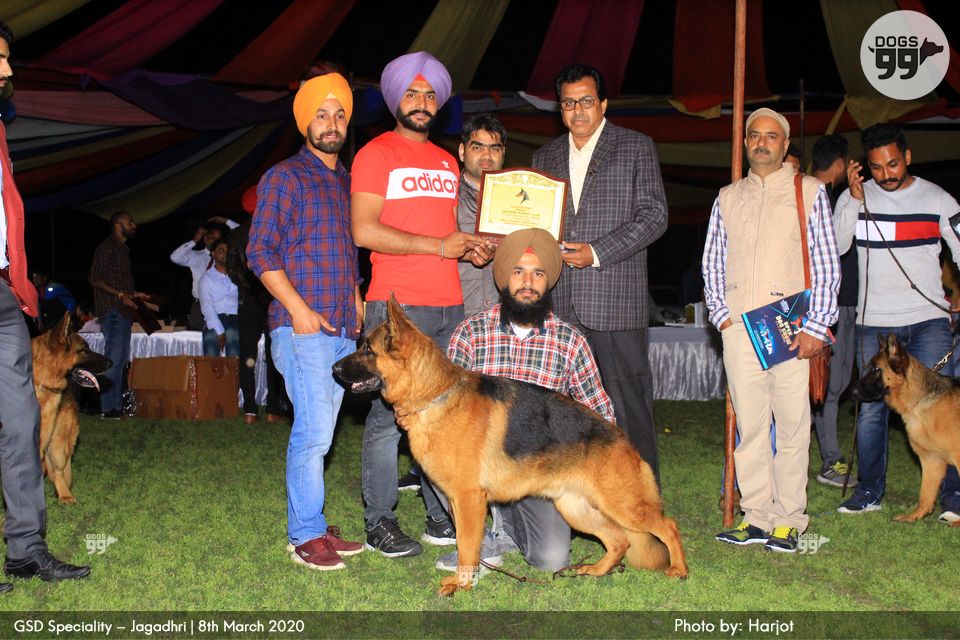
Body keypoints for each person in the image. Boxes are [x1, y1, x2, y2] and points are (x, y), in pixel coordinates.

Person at [351, 51, 486, 558]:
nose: (422, 102)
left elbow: (446, 234)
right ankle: (380, 521)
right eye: (412, 93)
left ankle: (438, 513)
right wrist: (440, 247)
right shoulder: (375, 154)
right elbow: (364, 231)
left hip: (450, 304)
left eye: (430, 95)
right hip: (397, 308)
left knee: (442, 414)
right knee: (387, 419)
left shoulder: (448, 162)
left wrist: (469, 247)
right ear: (395, 99)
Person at [435, 228, 616, 575]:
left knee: (551, 559)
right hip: (478, 463)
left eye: (538, 273)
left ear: (548, 283)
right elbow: (445, 407)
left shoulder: (570, 341)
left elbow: (601, 413)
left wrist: (598, 474)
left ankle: (506, 525)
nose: (528, 282)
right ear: (504, 278)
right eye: (518, 271)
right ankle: (480, 538)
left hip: (539, 472)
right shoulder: (470, 333)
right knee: (436, 442)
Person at [704, 107, 840, 552]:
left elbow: (826, 264)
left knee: (794, 427)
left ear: (784, 146)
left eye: (771, 136)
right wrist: (722, 316)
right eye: (754, 135)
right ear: (746, 143)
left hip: (791, 330)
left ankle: (790, 520)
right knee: (751, 429)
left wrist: (816, 326)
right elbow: (712, 260)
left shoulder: (808, 191)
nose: (761, 142)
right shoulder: (727, 196)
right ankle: (757, 517)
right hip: (741, 330)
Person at [248, 73, 364, 571]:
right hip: (301, 329)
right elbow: (259, 251)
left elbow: (348, 253)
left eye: (339, 115)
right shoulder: (284, 177)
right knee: (314, 435)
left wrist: (356, 299)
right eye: (321, 114)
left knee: (323, 433)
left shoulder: (347, 181)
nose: (331, 124)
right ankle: (304, 536)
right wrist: (298, 310)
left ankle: (313, 522)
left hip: (341, 329)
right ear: (305, 123)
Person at [531, 64, 667, 482]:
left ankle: (643, 498)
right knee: (566, 413)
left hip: (615, 303)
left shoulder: (635, 146)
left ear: (603, 104)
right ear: (560, 109)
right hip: (560, 305)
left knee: (629, 408)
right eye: (568, 103)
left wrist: (596, 253)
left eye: (586, 101)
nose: (578, 110)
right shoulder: (544, 157)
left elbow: (655, 216)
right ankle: (581, 495)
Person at [0, 19, 90, 595]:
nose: (8, 69)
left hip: (2, 293)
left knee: (21, 423)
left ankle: (26, 549)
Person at [833, 123, 960, 521]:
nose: (885, 174)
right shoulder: (855, 197)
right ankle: (869, 491)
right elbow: (837, 245)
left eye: (892, 164)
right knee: (872, 410)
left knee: (943, 412)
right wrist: (853, 201)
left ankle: (954, 499)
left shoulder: (938, 199)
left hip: (928, 320)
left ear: (907, 157)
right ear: (865, 166)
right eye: (876, 167)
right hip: (875, 322)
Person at [809, 134, 858, 488]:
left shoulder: (825, 196)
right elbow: (837, 248)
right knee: (828, 385)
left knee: (833, 385)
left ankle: (827, 454)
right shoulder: (822, 199)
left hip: (847, 303)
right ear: (840, 163)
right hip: (831, 306)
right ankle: (831, 460)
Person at [226, 194, 287, 425]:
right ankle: (272, 409)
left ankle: (250, 410)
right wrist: (266, 288)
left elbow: (232, 269)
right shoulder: (274, 229)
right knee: (274, 355)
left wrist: (250, 286)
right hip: (271, 298)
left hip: (248, 301)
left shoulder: (236, 234)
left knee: (248, 356)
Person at [89, 211, 150, 419]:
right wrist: (121, 295)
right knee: (113, 360)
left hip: (123, 311)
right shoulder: (107, 247)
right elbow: (95, 279)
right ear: (117, 225)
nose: (134, 225)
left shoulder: (122, 250)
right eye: (129, 222)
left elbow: (117, 283)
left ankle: (115, 407)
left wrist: (133, 294)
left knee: (121, 360)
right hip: (113, 311)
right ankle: (108, 408)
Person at [456, 113, 505, 317]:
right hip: (454, 316)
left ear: (503, 153)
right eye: (477, 148)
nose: (487, 155)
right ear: (462, 151)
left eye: (494, 148)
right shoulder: (444, 195)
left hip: (505, 318)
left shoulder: (521, 200)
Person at [170, 217, 236, 330]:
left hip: (222, 305)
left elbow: (243, 235)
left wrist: (227, 221)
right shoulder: (197, 256)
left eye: (215, 237)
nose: (211, 239)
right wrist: (194, 241)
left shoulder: (228, 257)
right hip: (199, 306)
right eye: (209, 236)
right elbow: (175, 257)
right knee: (196, 337)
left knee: (223, 336)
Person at [198, 238, 239, 357]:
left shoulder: (237, 276)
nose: (225, 254)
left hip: (235, 318)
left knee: (234, 358)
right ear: (213, 254)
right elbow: (207, 306)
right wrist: (219, 330)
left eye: (227, 251)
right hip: (214, 318)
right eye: (221, 250)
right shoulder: (206, 278)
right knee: (211, 356)